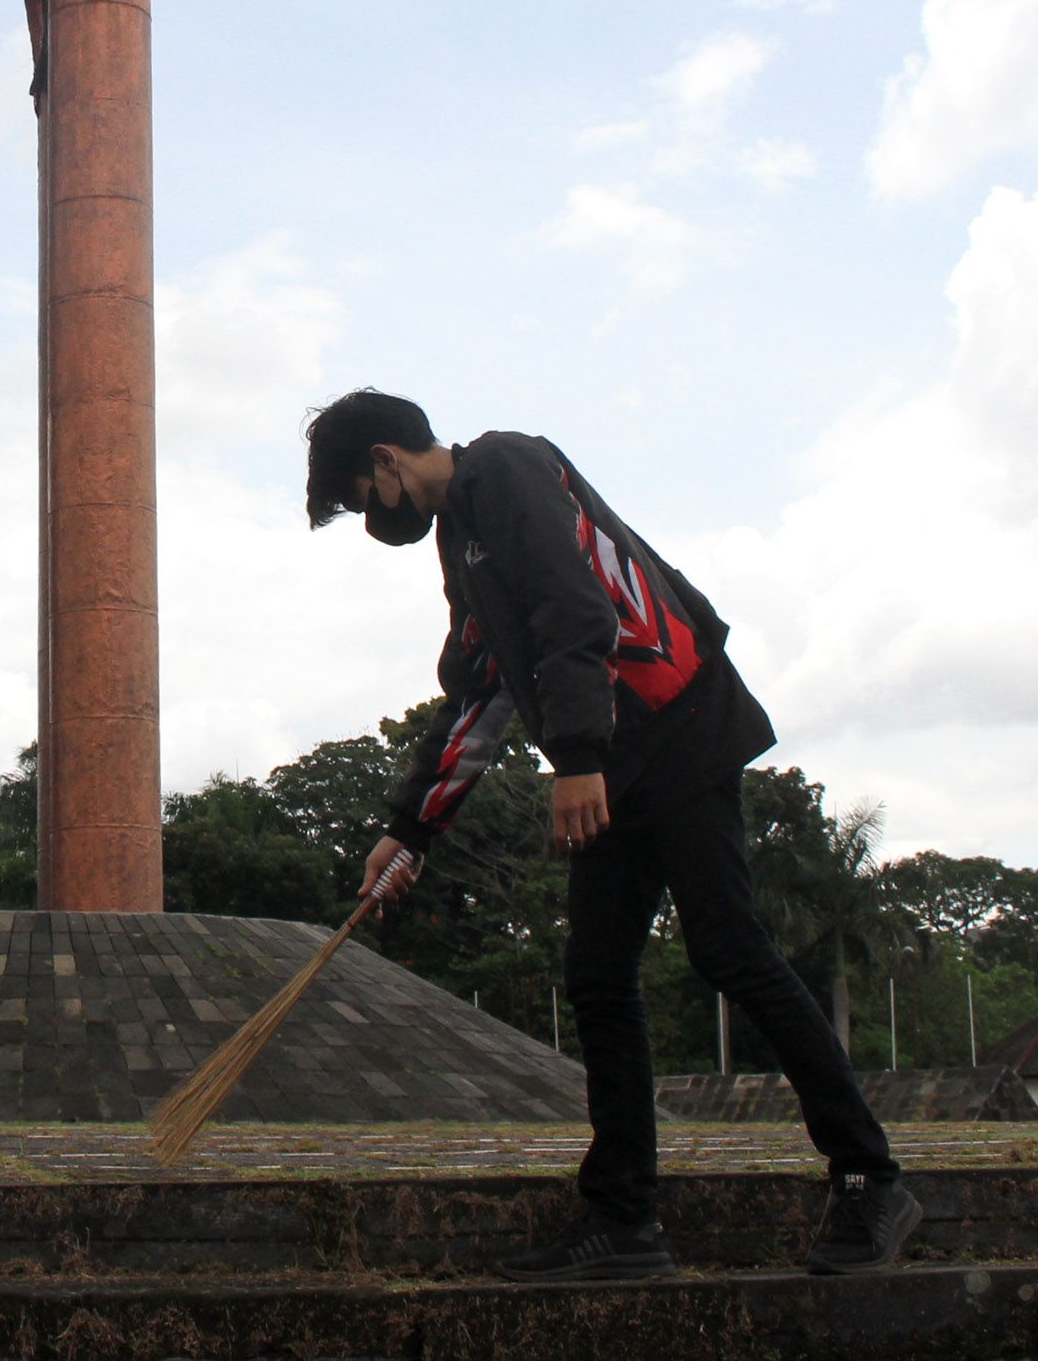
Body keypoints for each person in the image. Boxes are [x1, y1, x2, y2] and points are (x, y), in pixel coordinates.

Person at [305, 387, 921, 1283]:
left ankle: (870, 1176)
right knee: (597, 977)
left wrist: (577, 759)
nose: (372, 520)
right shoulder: (461, 539)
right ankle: (624, 1218)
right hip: (612, 764)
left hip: (677, 731)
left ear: (387, 462)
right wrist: (409, 830)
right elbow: (480, 688)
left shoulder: (503, 467)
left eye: (363, 498)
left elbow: (577, 608)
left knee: (730, 951)